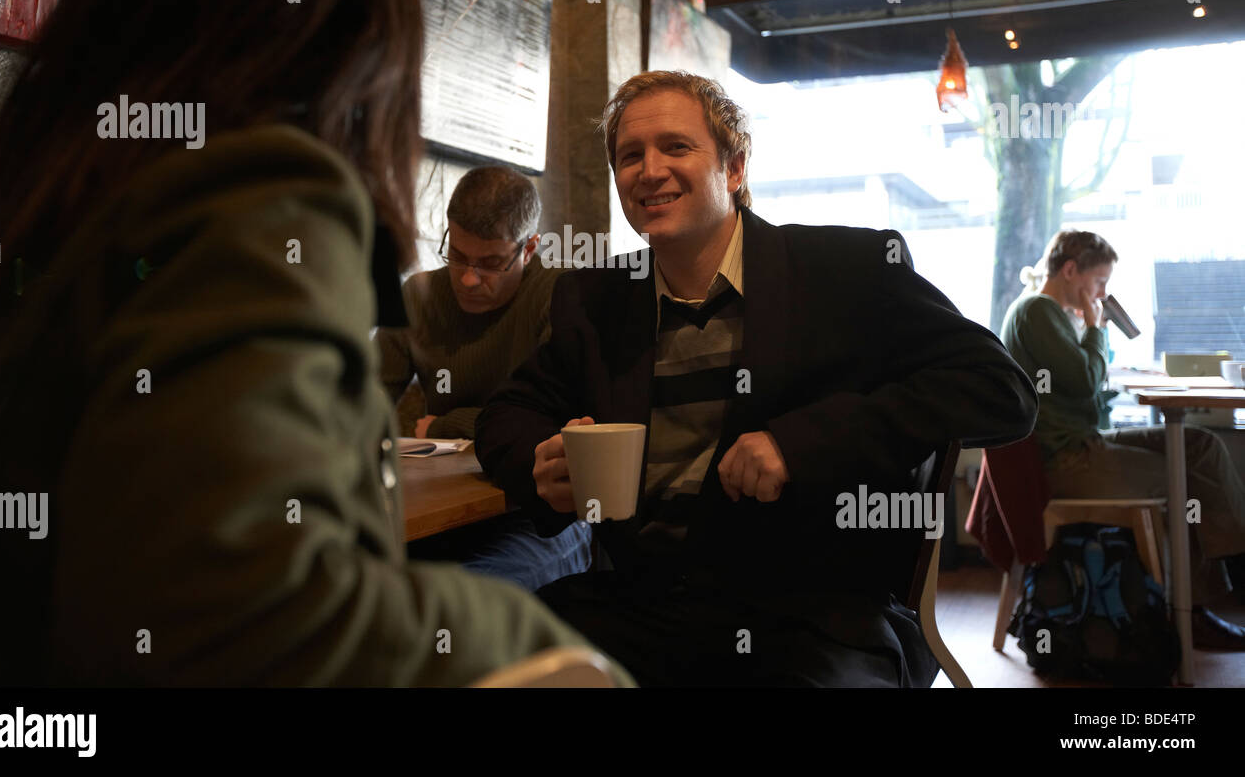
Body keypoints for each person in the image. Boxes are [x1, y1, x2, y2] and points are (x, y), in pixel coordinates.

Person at [0, 0, 632, 687]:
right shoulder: (264, 190)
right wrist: (562, 662)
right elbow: (240, 617)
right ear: (354, 27)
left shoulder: (49, 185)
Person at [475, 70, 1038, 687]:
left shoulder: (846, 271)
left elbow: (1001, 388)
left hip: (815, 613)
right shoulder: (595, 298)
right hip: (643, 604)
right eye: (629, 155)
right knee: (485, 663)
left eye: (676, 147)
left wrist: (801, 444)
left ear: (735, 168)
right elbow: (505, 415)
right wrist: (540, 460)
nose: (648, 169)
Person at [1001, 230, 1245, 649]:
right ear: (1071, 269)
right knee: (1180, 476)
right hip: (1066, 461)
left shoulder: (1053, 314)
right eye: (1099, 283)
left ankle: (1232, 558)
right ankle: (1194, 612)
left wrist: (1094, 345)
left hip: (1083, 442)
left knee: (1198, 446)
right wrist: (1095, 329)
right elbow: (1082, 381)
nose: (1102, 294)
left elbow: (1084, 389)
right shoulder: (1037, 312)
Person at [378, 166, 592, 590]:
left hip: (544, 512)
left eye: (491, 263)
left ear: (529, 248)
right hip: (450, 504)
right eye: (457, 255)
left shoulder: (563, 295)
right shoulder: (417, 298)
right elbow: (358, 404)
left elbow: (566, 426)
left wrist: (445, 423)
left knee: (463, 597)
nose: (470, 279)